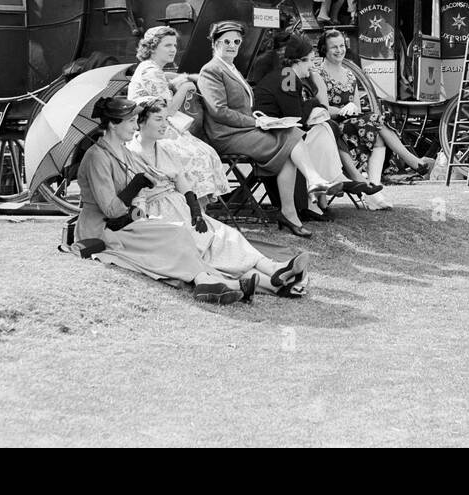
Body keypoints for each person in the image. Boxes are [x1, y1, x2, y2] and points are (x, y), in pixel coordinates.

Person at [74, 96, 249, 304]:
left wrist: (139, 204)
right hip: (102, 229)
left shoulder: (123, 151)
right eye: (130, 121)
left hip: (126, 221)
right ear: (112, 124)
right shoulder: (97, 157)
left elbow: (134, 198)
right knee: (172, 235)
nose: (134, 126)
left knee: (175, 230)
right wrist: (136, 185)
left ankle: (211, 281)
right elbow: (111, 210)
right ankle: (213, 282)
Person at [128, 100, 310, 297]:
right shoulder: (131, 152)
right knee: (204, 248)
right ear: (141, 122)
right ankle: (274, 283)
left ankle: (273, 269)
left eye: (166, 119)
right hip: (157, 211)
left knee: (225, 235)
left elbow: (181, 180)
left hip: (178, 203)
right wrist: (142, 220)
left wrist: (195, 209)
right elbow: (136, 196)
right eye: (158, 119)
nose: (165, 124)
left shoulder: (165, 149)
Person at [196, 20, 318, 239]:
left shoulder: (231, 68)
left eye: (236, 41)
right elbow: (219, 111)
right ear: (215, 43)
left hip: (242, 130)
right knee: (290, 142)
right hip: (226, 135)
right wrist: (256, 123)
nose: (232, 45)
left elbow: (242, 107)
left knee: (290, 135)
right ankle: (304, 193)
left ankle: (294, 207)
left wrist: (262, 119)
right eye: (226, 41)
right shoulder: (212, 70)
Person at [252, 34, 369, 214]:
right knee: (325, 128)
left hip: (282, 131)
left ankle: (328, 187)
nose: (312, 66)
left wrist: (315, 106)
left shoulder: (288, 75)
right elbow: (297, 116)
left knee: (325, 127)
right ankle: (330, 184)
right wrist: (316, 104)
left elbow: (297, 114)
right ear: (298, 61)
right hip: (275, 135)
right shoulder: (288, 76)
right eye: (310, 61)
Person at [318, 29, 434, 187]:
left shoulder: (350, 75)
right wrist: (341, 110)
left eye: (342, 45)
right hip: (332, 127)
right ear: (324, 49)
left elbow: (357, 110)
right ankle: (413, 162)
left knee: (378, 128)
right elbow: (323, 109)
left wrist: (352, 108)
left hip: (354, 124)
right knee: (377, 120)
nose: (340, 50)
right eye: (334, 47)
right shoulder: (318, 74)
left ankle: (374, 185)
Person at [127, 26, 229, 198]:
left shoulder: (151, 68)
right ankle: (194, 205)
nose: (173, 49)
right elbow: (168, 110)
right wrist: (186, 87)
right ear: (152, 47)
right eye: (167, 45)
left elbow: (160, 81)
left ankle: (197, 206)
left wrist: (173, 78)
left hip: (160, 127)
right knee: (199, 155)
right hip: (154, 129)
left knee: (205, 152)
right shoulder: (150, 70)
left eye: (174, 45)